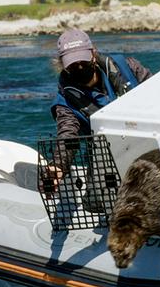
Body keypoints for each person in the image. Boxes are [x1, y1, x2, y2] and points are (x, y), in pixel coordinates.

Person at [44, 29, 153, 194]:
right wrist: (58, 166)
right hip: (106, 157)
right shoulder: (65, 102)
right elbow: (68, 137)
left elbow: (157, 89)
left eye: (83, 61)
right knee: (94, 202)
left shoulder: (127, 67)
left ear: (93, 54)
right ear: (62, 65)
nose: (80, 67)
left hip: (148, 139)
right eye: (73, 65)